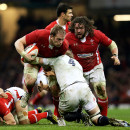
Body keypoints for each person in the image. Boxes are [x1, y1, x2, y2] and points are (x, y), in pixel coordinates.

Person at [27, 55, 129, 127]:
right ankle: (110, 121)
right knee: (96, 117)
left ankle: (80, 116)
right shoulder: (77, 63)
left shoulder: (57, 61)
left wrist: (26, 57)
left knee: (65, 115)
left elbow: (56, 88)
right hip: (85, 89)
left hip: (70, 91)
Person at [65, 16, 121, 116]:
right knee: (79, 96)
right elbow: (61, 50)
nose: (78, 31)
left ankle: (104, 117)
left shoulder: (96, 34)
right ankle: (80, 114)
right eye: (76, 28)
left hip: (95, 67)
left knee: (101, 90)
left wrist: (115, 56)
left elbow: (112, 44)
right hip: (78, 70)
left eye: (81, 28)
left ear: (87, 28)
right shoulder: (68, 37)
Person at [14, 24, 68, 108]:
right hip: (34, 61)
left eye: (62, 39)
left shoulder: (64, 46)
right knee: (29, 83)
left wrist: (52, 73)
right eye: (58, 39)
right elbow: (18, 42)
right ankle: (28, 94)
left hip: (48, 64)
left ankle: (58, 115)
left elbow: (59, 63)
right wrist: (24, 54)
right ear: (51, 36)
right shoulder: (40, 34)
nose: (61, 42)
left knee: (55, 89)